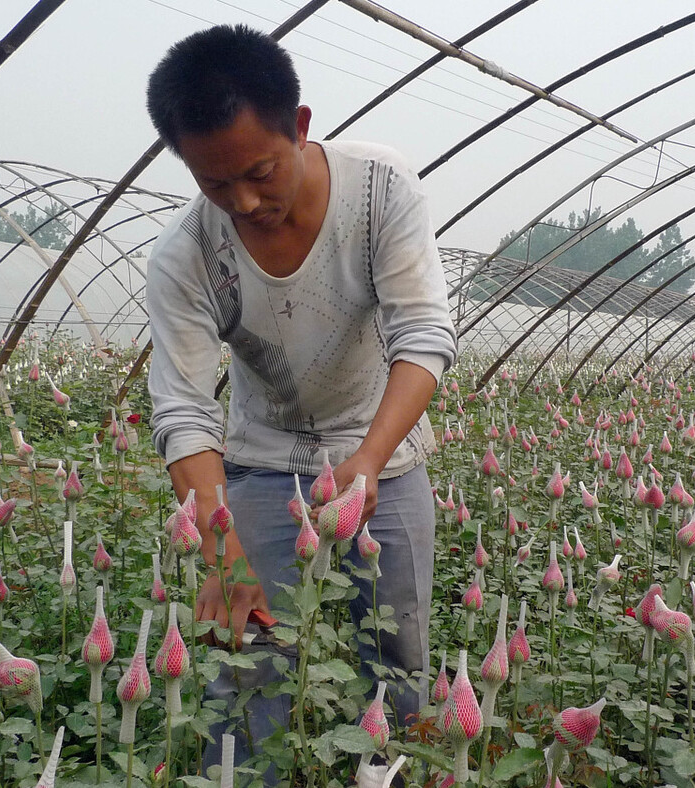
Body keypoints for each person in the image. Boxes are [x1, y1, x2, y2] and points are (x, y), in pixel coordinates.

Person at [144, 24, 457, 776]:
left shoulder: (380, 191)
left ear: (301, 126)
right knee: (250, 662)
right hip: (260, 469)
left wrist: (369, 460)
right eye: (215, 184)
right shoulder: (186, 258)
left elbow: (423, 333)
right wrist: (221, 551)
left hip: (387, 462)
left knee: (399, 656)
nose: (245, 201)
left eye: (260, 172)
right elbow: (184, 410)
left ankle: (388, 772)